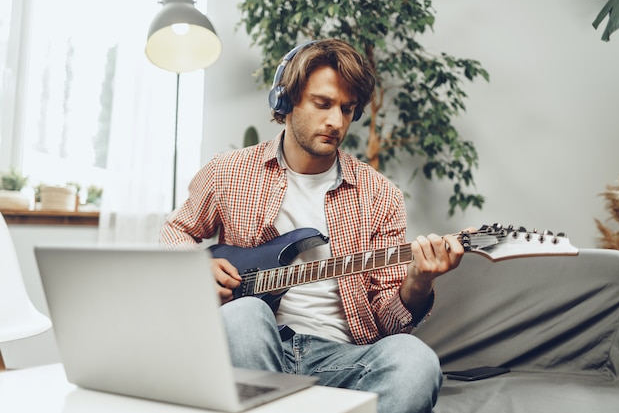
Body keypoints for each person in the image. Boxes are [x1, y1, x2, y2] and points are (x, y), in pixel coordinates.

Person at [160, 38, 465, 413]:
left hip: (342, 358)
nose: (336, 122)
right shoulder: (229, 171)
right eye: (323, 104)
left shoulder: (380, 194)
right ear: (286, 101)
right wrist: (197, 268)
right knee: (244, 313)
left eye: (347, 110)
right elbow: (176, 230)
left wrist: (419, 280)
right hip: (254, 344)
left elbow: (390, 322)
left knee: (415, 360)